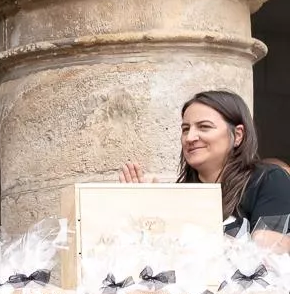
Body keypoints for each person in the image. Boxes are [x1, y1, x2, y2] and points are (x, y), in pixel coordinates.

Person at [119, 91, 290, 241]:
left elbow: (268, 257)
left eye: (204, 127)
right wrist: (146, 208)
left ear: (237, 135)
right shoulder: (179, 194)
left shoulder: (268, 180)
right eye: (185, 129)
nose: (190, 137)